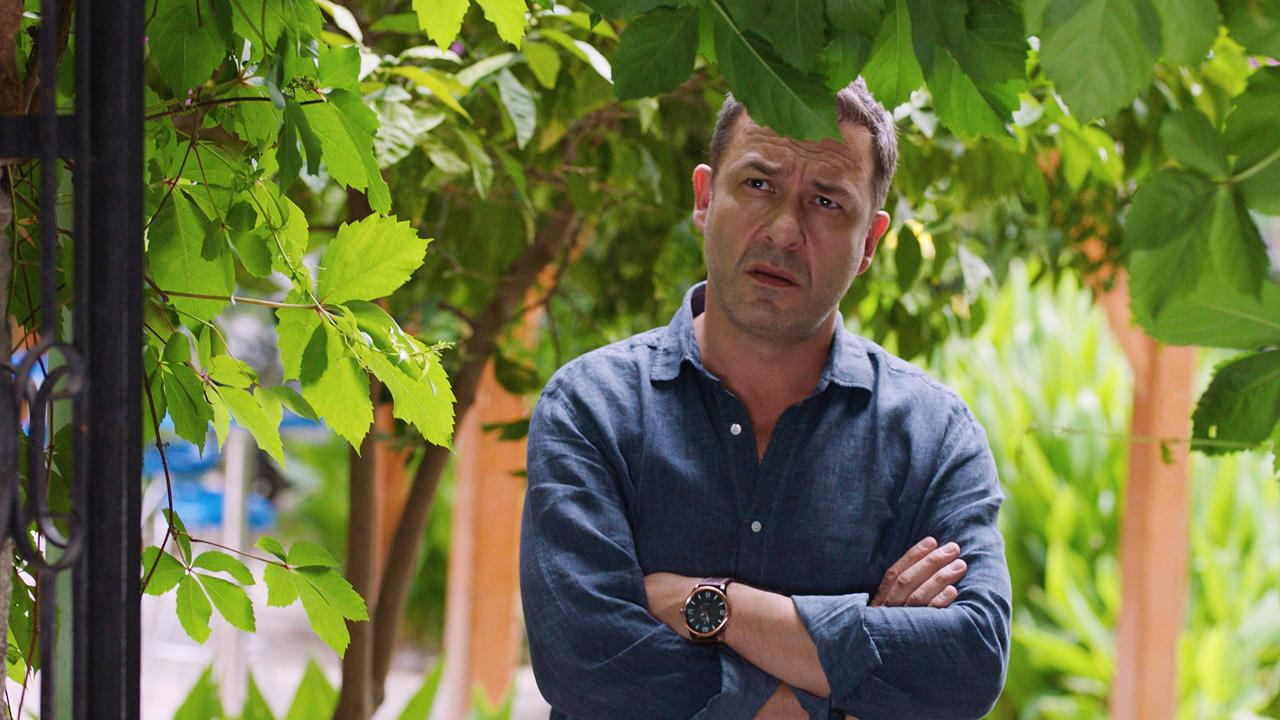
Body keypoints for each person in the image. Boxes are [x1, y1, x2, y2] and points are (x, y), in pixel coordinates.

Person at [519, 78, 1011, 720]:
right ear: (705, 198)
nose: (783, 230)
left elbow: (969, 662)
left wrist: (711, 606)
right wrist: (845, 682)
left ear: (869, 242)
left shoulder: (933, 436)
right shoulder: (592, 410)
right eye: (758, 184)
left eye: (826, 202)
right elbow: (586, 664)